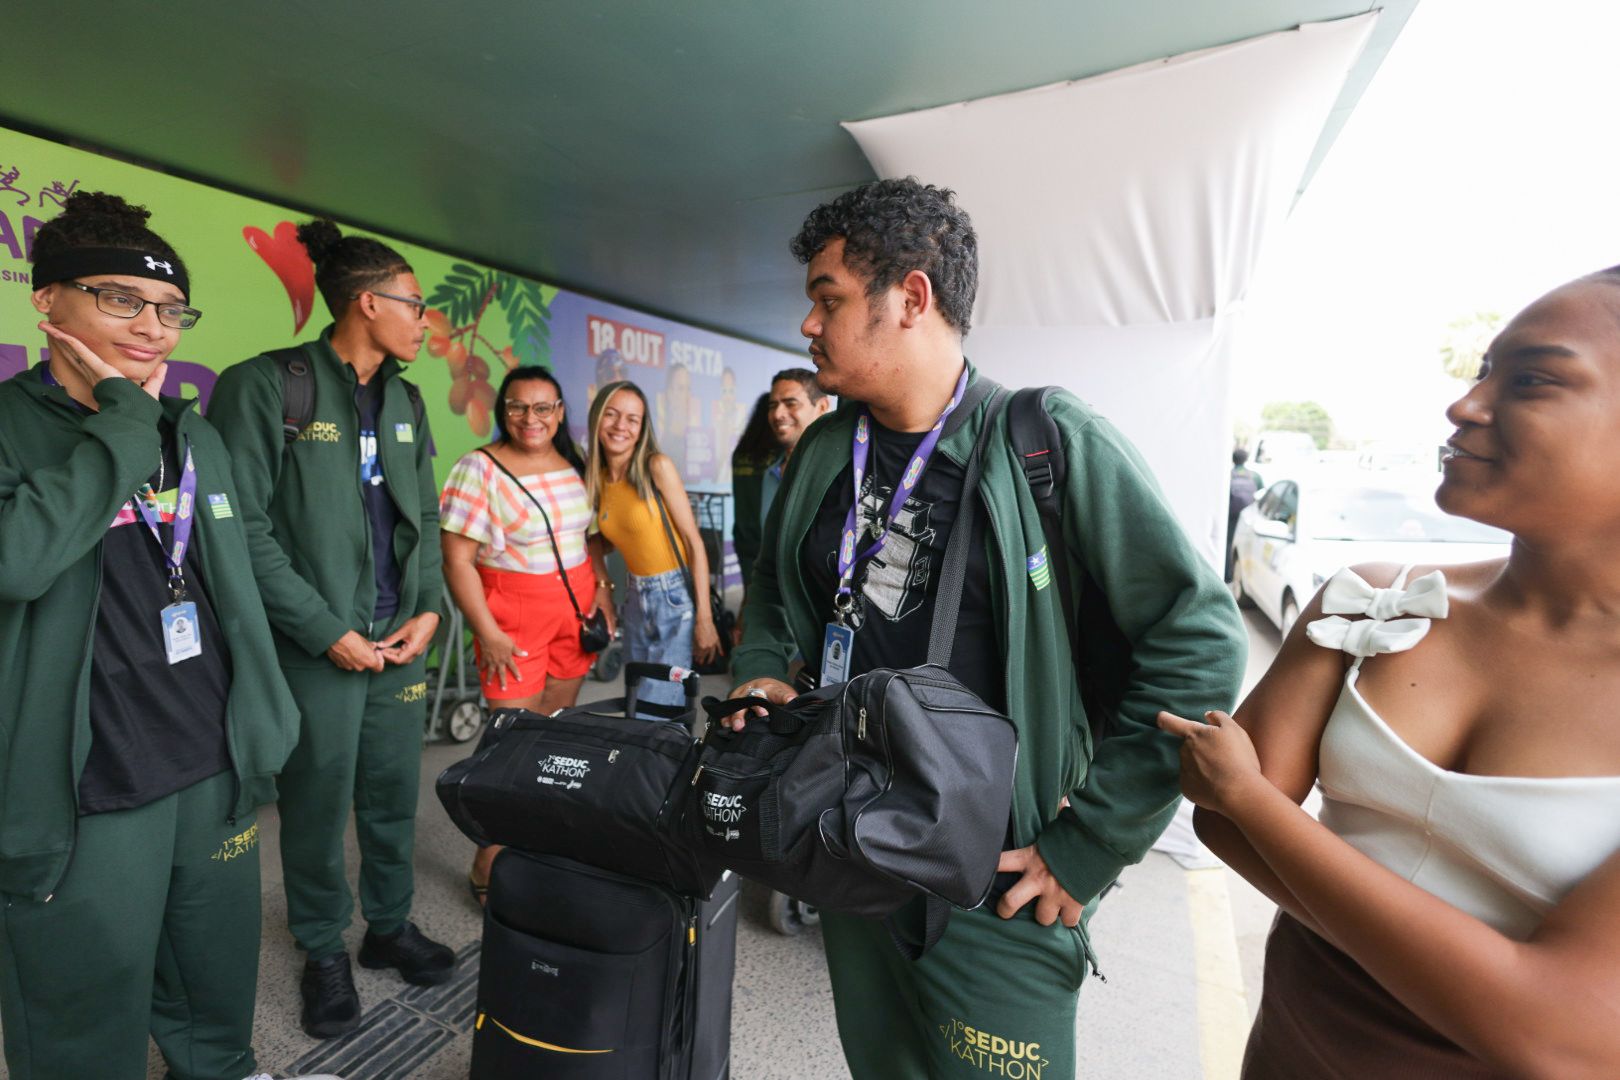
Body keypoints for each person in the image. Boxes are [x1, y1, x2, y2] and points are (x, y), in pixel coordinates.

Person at [725, 177, 1245, 1079]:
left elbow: (1197, 636)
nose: (809, 326)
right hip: (847, 837)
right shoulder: (819, 448)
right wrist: (766, 668)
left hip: (996, 876)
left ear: (912, 298)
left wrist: (1089, 844)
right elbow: (776, 588)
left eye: (829, 300)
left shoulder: (1046, 441)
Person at [1161, 267, 1620, 1078]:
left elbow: (1562, 1036)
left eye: (1533, 380)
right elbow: (1217, 826)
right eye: (1483, 370)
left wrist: (1256, 803)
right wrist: (1484, 989)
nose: (1465, 405)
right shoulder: (1375, 601)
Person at [0, 191, 334, 1080]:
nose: (152, 327)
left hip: (210, 758)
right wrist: (117, 419)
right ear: (47, 301)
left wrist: (267, 715)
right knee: (81, 1006)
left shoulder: (194, 436)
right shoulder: (9, 427)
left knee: (213, 981)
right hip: (87, 782)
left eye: (168, 309)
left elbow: (231, 579)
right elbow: (17, 562)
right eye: (120, 299)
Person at [208, 219, 452, 1039]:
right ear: (365, 302)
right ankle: (321, 951)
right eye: (415, 305)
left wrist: (427, 610)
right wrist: (322, 630)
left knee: (391, 797)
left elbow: (422, 513)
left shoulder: (407, 399)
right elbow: (243, 528)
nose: (426, 321)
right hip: (319, 648)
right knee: (314, 808)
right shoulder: (269, 385)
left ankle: (387, 929)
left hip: (397, 642)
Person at [440, 365, 614, 901]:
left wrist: (602, 591)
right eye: (518, 406)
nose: (529, 418)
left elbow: (588, 540)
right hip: (511, 614)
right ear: (503, 411)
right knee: (511, 745)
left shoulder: (575, 464)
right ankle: (489, 860)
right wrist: (486, 631)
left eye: (543, 407)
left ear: (560, 412)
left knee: (553, 735)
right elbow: (457, 560)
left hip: (574, 611)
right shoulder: (479, 468)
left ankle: (535, 844)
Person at [586, 380, 721, 710]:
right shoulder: (597, 477)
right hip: (634, 596)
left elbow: (694, 542)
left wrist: (704, 618)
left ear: (642, 426)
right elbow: (593, 539)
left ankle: (666, 761)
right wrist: (603, 584)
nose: (621, 426)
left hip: (672, 596)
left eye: (632, 419)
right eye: (612, 415)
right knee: (636, 698)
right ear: (597, 418)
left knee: (661, 705)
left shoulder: (655, 467)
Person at [1226, 446, 1263, 580]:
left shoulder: (1227, 475)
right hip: (1248, 518)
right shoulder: (1255, 476)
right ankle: (1245, 576)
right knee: (1246, 545)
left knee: (1229, 543)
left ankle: (1228, 576)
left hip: (1231, 516)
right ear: (1246, 459)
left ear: (1233, 459)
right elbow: (1260, 496)